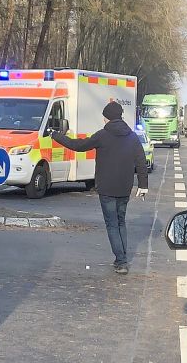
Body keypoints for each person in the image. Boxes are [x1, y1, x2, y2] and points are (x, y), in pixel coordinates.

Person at [51, 102, 148, 274]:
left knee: (112, 225)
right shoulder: (132, 136)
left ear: (108, 117)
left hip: (107, 187)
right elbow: (141, 160)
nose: (103, 119)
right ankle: (122, 257)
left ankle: (121, 261)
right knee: (120, 222)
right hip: (125, 187)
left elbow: (78, 146)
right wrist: (143, 185)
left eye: (104, 116)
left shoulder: (102, 135)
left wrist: (56, 136)